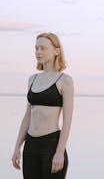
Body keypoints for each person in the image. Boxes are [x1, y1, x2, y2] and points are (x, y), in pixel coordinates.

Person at [11, 32, 74, 179]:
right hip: (30, 146)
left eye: (43, 48)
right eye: (36, 48)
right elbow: (27, 116)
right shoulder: (32, 79)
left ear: (56, 51)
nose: (38, 52)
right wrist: (17, 148)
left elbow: (68, 120)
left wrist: (59, 152)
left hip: (51, 145)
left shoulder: (65, 81)